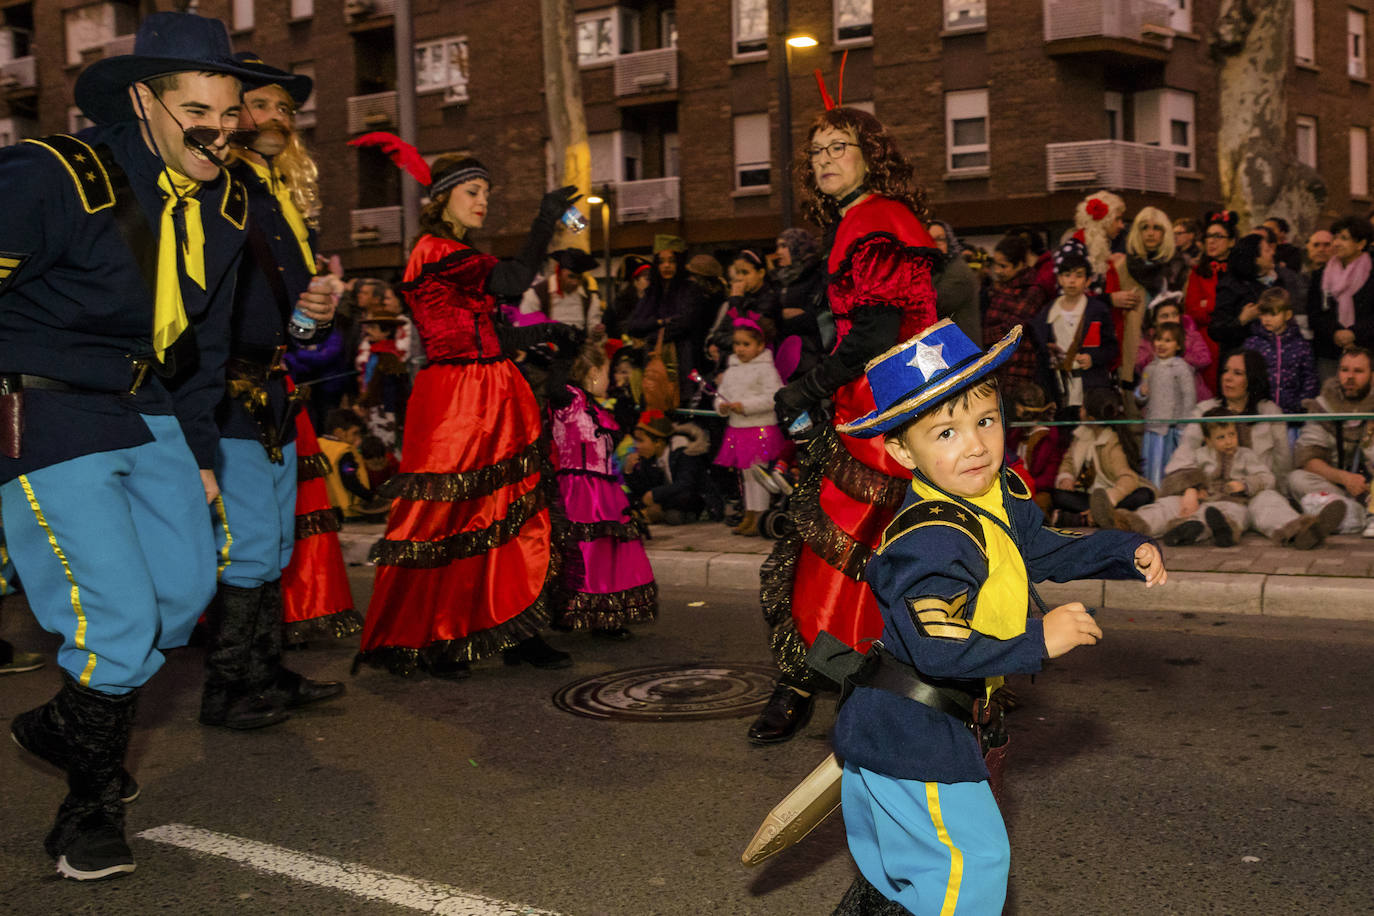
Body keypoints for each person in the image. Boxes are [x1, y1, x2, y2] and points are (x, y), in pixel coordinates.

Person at [0, 11, 270, 881]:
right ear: (142, 101)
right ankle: (88, 808)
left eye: (230, 115)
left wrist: (200, 453)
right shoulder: (54, 175)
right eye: (197, 109)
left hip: (147, 405)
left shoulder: (228, 203)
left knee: (185, 590)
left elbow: (206, 347)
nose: (218, 131)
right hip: (47, 411)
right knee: (115, 619)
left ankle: (63, 724)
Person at [825, 319, 1165, 915]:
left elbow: (1041, 547)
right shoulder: (930, 537)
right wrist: (1040, 637)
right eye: (946, 432)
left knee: (902, 885)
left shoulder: (991, 497)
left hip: (931, 728)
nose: (975, 445)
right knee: (971, 872)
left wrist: (1121, 552)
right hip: (911, 736)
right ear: (903, 450)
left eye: (985, 421)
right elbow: (938, 647)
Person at [353, 144, 581, 678]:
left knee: (513, 513)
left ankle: (518, 624)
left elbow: (493, 323)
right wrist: (544, 219)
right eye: (473, 192)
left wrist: (544, 336)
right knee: (446, 516)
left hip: (496, 388)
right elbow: (511, 281)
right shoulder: (432, 250)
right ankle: (431, 634)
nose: (483, 202)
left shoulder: (456, 252)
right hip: (456, 397)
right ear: (440, 199)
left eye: (486, 194)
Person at [753, 104, 938, 744]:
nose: (826, 159)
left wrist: (809, 383)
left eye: (840, 147)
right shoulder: (865, 219)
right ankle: (841, 676)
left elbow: (877, 332)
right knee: (875, 546)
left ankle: (808, 681)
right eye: (818, 151)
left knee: (844, 543)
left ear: (869, 155)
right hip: (886, 399)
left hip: (892, 405)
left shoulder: (877, 220)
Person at [202, 52, 345, 731]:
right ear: (233, 116)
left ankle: (264, 672)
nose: (279, 119)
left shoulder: (278, 197)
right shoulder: (217, 193)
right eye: (263, 105)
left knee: (279, 543)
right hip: (228, 390)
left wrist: (314, 314)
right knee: (253, 543)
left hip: (276, 388)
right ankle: (225, 687)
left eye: (287, 110)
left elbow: (296, 329)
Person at [1109, 407, 1343, 549]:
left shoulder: (1246, 455)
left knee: (1252, 508)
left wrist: (1246, 485)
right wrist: (1191, 489)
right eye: (1221, 437)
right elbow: (1176, 478)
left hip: (1236, 502)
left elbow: (1266, 477)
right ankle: (1130, 523)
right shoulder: (1200, 456)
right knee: (1168, 505)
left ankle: (1300, 533)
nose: (1229, 441)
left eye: (1232, 434)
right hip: (1204, 500)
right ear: (1208, 440)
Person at [548, 337, 657, 640]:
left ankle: (601, 617)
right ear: (593, 372)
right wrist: (566, 352)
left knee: (606, 555)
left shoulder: (594, 406)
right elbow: (554, 386)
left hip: (604, 489)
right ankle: (573, 613)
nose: (610, 381)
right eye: (607, 373)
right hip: (578, 490)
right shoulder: (568, 400)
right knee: (584, 554)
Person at [1171, 349, 1293, 492]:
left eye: (1237, 373)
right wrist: (1191, 490)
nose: (1227, 377)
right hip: (1210, 493)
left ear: (1252, 379)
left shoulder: (1270, 412)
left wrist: (1280, 494)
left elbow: (1282, 465)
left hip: (1260, 493)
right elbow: (1183, 457)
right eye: (1225, 371)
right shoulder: (1204, 410)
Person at [1287, 347, 1374, 537]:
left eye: (1358, 371)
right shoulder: (1323, 405)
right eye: (1344, 370)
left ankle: (1347, 514)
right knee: (1296, 479)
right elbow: (1308, 458)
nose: (1350, 377)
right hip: (1337, 485)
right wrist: (1344, 478)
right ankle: (1356, 513)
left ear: (1372, 376)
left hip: (1370, 484)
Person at [712, 319, 786, 536]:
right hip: (738, 428)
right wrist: (722, 407)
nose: (740, 349)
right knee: (745, 475)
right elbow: (721, 394)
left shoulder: (766, 369)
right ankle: (750, 513)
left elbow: (774, 397)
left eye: (746, 344)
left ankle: (761, 515)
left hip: (759, 427)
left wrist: (744, 406)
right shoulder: (732, 368)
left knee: (758, 474)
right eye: (737, 344)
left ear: (760, 346)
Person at [1031, 242, 1119, 418]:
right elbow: (1040, 356)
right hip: (1059, 388)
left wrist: (1093, 358)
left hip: (1091, 385)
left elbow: (1112, 348)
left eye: (1078, 275)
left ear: (1088, 280)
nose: (1072, 280)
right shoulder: (1046, 314)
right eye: (1067, 275)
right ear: (1059, 279)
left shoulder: (1097, 311)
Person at [1051, 387, 1154, 526]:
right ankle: (1098, 516)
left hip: (1112, 495)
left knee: (1144, 495)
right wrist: (1066, 477)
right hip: (1089, 495)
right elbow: (1068, 461)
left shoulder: (1111, 441)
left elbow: (1128, 479)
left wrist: (1108, 501)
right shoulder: (1081, 435)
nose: (1079, 410)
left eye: (1082, 407)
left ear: (1091, 418)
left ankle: (1086, 518)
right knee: (1058, 496)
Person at [1117, 207, 1184, 385]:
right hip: (1134, 348)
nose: (1150, 233)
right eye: (1144, 228)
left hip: (1170, 348)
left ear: (1165, 232)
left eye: (1156, 228)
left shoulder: (1176, 267)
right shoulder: (1124, 266)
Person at [1210, 231, 1303, 356]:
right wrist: (1242, 320)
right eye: (1266, 250)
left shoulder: (1278, 281)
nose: (1273, 253)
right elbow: (1216, 331)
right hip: (1241, 358)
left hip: (1276, 358)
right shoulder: (1231, 286)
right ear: (1255, 259)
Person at [983, 232, 1048, 390]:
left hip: (1019, 364)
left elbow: (1013, 327)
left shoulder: (1032, 290)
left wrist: (981, 336)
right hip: (997, 362)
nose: (997, 270)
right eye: (995, 265)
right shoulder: (1000, 286)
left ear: (1020, 264)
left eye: (1003, 266)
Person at [622, 410, 713, 523]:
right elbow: (644, 489)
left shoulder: (685, 452)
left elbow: (686, 484)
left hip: (695, 498)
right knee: (624, 499)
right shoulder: (650, 458)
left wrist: (655, 495)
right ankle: (661, 513)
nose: (637, 446)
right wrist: (629, 471)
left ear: (658, 442)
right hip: (669, 500)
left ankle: (664, 512)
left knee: (682, 498)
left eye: (641, 441)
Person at [1308, 216, 1374, 370]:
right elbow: (1314, 314)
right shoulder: (1321, 275)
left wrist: (1354, 334)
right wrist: (1336, 333)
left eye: (1344, 238)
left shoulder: (1371, 273)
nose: (1336, 243)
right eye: (1335, 238)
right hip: (1330, 352)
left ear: (1361, 243)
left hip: (1368, 351)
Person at [1137, 322, 1198, 487]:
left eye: (1168, 340)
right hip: (1152, 428)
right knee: (1150, 467)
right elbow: (1141, 399)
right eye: (1158, 339)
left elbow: (1189, 397)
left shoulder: (1181, 368)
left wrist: (1183, 427)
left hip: (1170, 430)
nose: (1161, 344)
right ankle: (1151, 492)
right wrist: (1142, 394)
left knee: (1167, 468)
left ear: (1178, 345)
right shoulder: (1149, 369)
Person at [1243, 287, 1319, 417]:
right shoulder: (1253, 344)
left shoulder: (1301, 345)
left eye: (1273, 314)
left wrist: (1302, 404)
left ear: (1287, 315)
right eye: (1263, 314)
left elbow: (1309, 378)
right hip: (1262, 415)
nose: (1267, 319)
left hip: (1293, 415)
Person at [1185, 211, 1238, 389]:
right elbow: (1192, 310)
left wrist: (1207, 305)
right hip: (1207, 345)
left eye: (1218, 236)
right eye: (1208, 236)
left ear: (1231, 241)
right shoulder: (1198, 272)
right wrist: (1215, 309)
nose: (1211, 241)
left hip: (1234, 342)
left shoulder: (1239, 272)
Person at [707, 249, 782, 372]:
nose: (740, 278)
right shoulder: (742, 298)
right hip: (737, 366)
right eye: (738, 273)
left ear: (761, 273)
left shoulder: (769, 299)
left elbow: (747, 336)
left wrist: (736, 301)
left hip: (762, 368)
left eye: (745, 272)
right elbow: (719, 335)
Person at [771, 228, 828, 380]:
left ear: (799, 248)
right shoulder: (779, 278)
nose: (779, 252)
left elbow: (819, 315)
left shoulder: (815, 274)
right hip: (783, 351)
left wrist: (788, 318)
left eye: (784, 246)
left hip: (810, 353)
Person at [1134, 294, 1212, 401]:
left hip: (1192, 394)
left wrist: (1179, 359)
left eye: (1174, 315)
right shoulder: (1148, 341)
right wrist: (1157, 357)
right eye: (1165, 316)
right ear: (1154, 320)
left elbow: (1205, 359)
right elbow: (1139, 365)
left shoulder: (1191, 336)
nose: (1171, 319)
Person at [1004, 381, 1064, 517]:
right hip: (1016, 486)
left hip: (1037, 490)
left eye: (1017, 407)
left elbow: (1048, 477)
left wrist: (1024, 485)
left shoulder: (1048, 437)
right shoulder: (1017, 432)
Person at [521, 248, 603, 331]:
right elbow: (527, 328)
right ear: (559, 274)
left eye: (579, 278)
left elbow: (593, 326)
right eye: (571, 276)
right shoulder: (537, 294)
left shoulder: (589, 298)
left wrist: (596, 332)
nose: (575, 282)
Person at [927, 219, 981, 344]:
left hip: (960, 350)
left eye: (940, 239)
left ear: (949, 242)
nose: (935, 244)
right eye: (930, 239)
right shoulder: (938, 269)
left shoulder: (958, 273)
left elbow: (935, 305)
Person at [318, 408, 373, 519]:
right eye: (355, 433)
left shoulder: (318, 445)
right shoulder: (344, 453)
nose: (358, 438)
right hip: (345, 510)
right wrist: (370, 497)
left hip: (323, 508)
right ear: (339, 432)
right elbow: (350, 480)